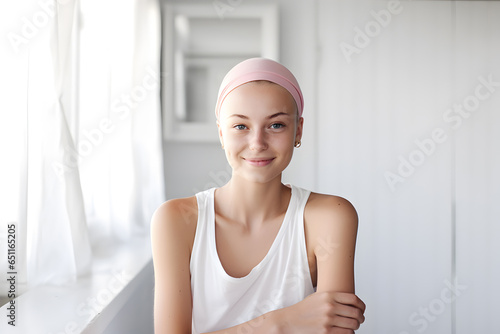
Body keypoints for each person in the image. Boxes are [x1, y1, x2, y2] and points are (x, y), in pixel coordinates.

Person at [151, 58, 366, 334]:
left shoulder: (330, 217)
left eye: (276, 125)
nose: (258, 144)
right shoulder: (176, 221)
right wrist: (282, 322)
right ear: (221, 134)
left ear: (298, 131)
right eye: (241, 126)